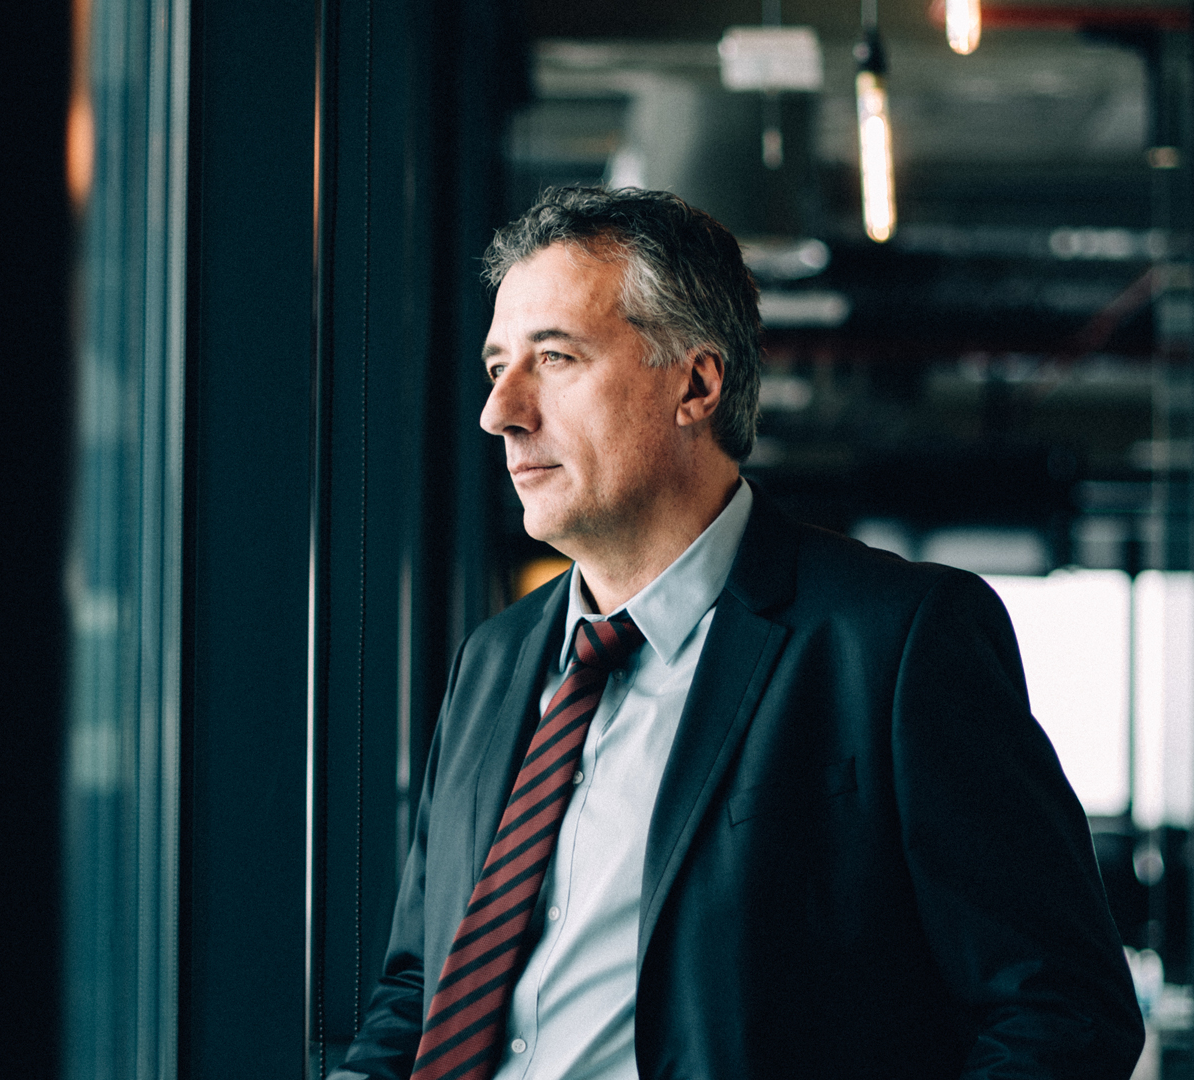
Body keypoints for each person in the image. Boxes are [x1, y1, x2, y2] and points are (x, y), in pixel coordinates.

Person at [331, 186, 1142, 1080]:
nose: (502, 412)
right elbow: (418, 992)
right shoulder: (491, 665)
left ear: (696, 383)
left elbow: (1061, 1013)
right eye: (496, 368)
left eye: (554, 358)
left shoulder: (896, 644)